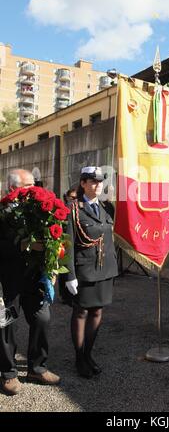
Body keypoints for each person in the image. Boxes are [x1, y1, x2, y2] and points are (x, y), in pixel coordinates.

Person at [0, 169, 60, 395]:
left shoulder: (41, 211)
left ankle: (37, 367)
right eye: (28, 186)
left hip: (34, 278)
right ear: (13, 188)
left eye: (34, 185)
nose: (34, 190)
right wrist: (23, 245)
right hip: (7, 282)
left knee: (42, 319)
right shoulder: (2, 212)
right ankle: (8, 373)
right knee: (6, 325)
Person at [65, 166, 118, 378]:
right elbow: (68, 243)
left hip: (105, 269)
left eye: (100, 182)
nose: (98, 185)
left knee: (97, 311)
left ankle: (88, 354)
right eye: (93, 181)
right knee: (81, 312)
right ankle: (79, 358)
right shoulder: (73, 209)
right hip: (84, 270)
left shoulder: (106, 208)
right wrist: (69, 275)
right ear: (83, 184)